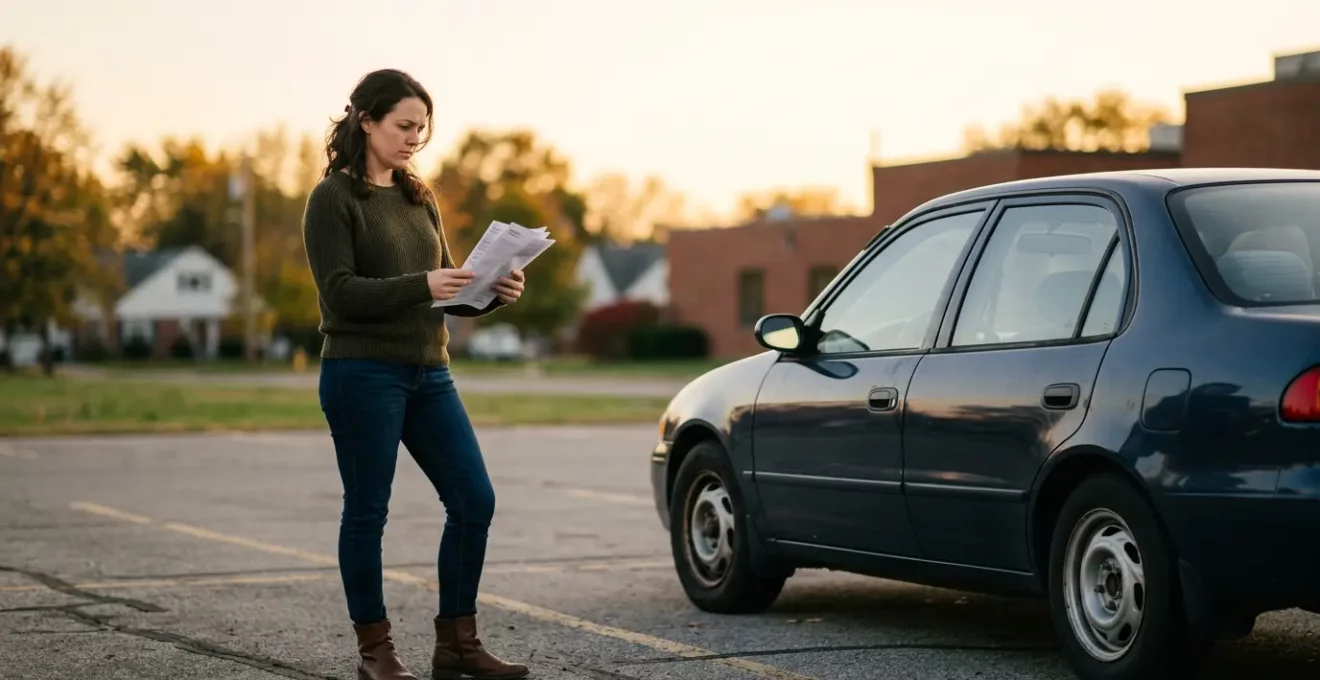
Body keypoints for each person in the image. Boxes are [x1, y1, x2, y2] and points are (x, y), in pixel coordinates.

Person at [301, 68, 530, 680]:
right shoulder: (332, 199)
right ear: (366, 121)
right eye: (404, 126)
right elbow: (341, 294)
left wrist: (491, 292)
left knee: (474, 499)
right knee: (368, 511)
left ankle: (457, 645)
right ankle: (376, 652)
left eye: (421, 130)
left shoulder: (417, 195)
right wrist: (423, 285)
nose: (413, 140)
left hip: (430, 372)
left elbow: (445, 287)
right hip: (361, 372)